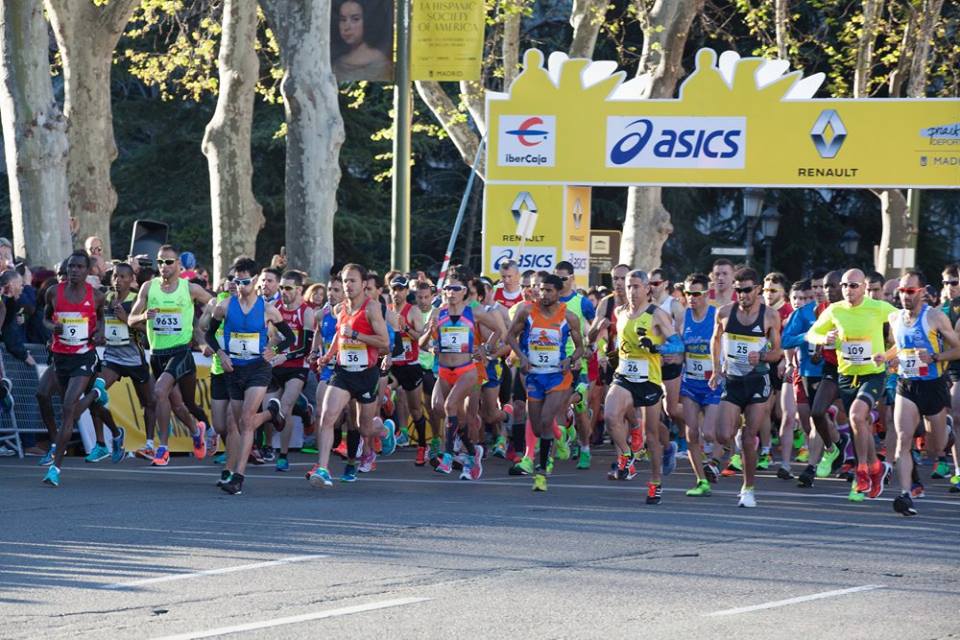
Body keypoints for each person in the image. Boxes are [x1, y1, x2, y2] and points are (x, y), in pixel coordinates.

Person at [204, 257, 295, 495]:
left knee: (245, 419)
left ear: (254, 281)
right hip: (233, 369)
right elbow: (210, 336)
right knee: (240, 422)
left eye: (244, 281)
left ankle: (238, 477)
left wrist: (273, 350)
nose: (240, 286)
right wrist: (221, 353)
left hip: (257, 368)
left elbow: (290, 338)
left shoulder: (267, 309)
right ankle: (271, 413)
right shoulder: (223, 307)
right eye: (236, 281)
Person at [806, 268, 897, 502]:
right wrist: (822, 339)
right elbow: (812, 334)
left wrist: (889, 354)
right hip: (846, 376)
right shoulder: (834, 309)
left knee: (857, 417)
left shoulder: (878, 308)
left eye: (853, 285)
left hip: (872, 375)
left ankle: (862, 472)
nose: (848, 290)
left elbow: (904, 323)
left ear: (864, 287)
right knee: (861, 424)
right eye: (845, 285)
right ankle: (876, 467)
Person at [599, 270, 682, 504]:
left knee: (651, 436)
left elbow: (676, 344)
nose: (631, 291)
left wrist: (657, 348)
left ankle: (655, 483)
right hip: (624, 374)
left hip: (649, 379)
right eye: (628, 286)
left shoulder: (657, 315)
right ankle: (626, 455)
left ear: (647, 288)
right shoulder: (619, 312)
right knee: (610, 416)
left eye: (636, 286)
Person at [307, 264, 391, 487]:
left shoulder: (372, 308)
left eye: (353, 281)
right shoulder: (340, 309)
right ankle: (323, 469)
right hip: (343, 372)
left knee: (364, 428)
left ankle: (383, 430)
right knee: (326, 416)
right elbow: (339, 335)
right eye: (345, 281)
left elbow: (384, 343)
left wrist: (357, 334)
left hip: (366, 374)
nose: (348, 285)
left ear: (364, 284)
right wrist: (329, 355)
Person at [128, 244, 212, 466]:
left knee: (161, 392)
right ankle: (196, 430)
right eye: (160, 262)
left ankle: (163, 449)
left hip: (181, 352)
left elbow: (214, 303)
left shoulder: (189, 288)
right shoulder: (148, 287)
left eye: (168, 262)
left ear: (178, 265)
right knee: (177, 405)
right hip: (157, 353)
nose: (163, 266)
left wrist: (205, 328)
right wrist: (144, 316)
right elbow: (130, 319)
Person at [888, 271, 960, 516]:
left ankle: (947, 431)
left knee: (935, 449)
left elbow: (958, 349)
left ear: (921, 292)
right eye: (901, 291)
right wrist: (888, 359)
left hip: (933, 385)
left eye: (910, 291)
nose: (905, 296)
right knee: (903, 439)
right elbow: (897, 347)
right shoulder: (894, 318)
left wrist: (936, 357)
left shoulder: (936, 317)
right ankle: (906, 494)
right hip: (907, 385)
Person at [710, 267, 782, 508]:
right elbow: (716, 339)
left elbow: (777, 352)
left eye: (747, 290)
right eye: (738, 290)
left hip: (757, 381)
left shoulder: (769, 316)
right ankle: (735, 446)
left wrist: (761, 357)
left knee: (750, 437)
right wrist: (716, 369)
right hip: (732, 379)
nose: (742, 294)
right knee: (721, 434)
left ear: (758, 289)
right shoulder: (723, 313)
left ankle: (748, 489)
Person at [505, 274, 583, 491]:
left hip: (558, 377)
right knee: (538, 427)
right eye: (541, 289)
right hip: (534, 375)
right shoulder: (526, 311)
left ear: (558, 292)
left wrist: (570, 359)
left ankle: (541, 473)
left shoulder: (570, 316)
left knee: (548, 418)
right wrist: (521, 356)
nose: (544, 294)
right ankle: (562, 435)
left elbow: (580, 348)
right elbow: (510, 336)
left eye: (549, 290)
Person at [40, 251, 111, 486]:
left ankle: (55, 469)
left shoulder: (96, 296)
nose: (74, 271)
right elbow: (45, 318)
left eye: (79, 267)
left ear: (87, 270)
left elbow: (101, 319)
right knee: (57, 401)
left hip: (83, 356)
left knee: (69, 408)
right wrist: (52, 326)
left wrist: (100, 332)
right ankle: (96, 393)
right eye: (71, 266)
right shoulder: (54, 292)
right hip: (60, 357)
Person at [427, 269, 500, 478]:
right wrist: (433, 342)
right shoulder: (439, 311)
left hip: (470, 368)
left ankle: (455, 457)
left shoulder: (475, 310)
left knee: (467, 416)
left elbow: (497, 330)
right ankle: (470, 451)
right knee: (441, 407)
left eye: (456, 287)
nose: (451, 292)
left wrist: (484, 349)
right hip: (444, 368)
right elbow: (430, 339)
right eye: (447, 287)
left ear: (466, 289)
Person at [677, 273, 723, 496]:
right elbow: (678, 347)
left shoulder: (716, 315)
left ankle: (720, 454)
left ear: (707, 294)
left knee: (709, 433)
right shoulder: (683, 317)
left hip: (713, 382)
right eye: (688, 293)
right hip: (690, 382)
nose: (691, 298)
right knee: (691, 434)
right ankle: (701, 481)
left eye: (696, 293)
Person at [266, 271, 316, 472]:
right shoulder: (275, 308)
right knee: (269, 409)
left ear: (299, 290)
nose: (283, 292)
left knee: (283, 409)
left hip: (296, 367)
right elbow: (272, 338)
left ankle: (283, 455)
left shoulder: (306, 312)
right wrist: (271, 347)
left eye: (288, 288)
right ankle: (303, 408)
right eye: (282, 288)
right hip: (276, 366)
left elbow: (305, 348)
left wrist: (283, 355)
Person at [387, 276, 429, 465]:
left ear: (406, 292)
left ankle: (422, 446)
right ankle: (385, 433)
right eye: (394, 289)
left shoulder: (413, 311)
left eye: (400, 290)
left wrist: (405, 328)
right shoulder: (386, 311)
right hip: (392, 365)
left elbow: (420, 338)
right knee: (382, 393)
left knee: (415, 409)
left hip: (410, 366)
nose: (397, 293)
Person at [332, 0, 393, 82]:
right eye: (343, 20)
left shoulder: (380, 63)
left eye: (355, 19)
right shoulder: (337, 63)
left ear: (367, 20)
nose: (347, 27)